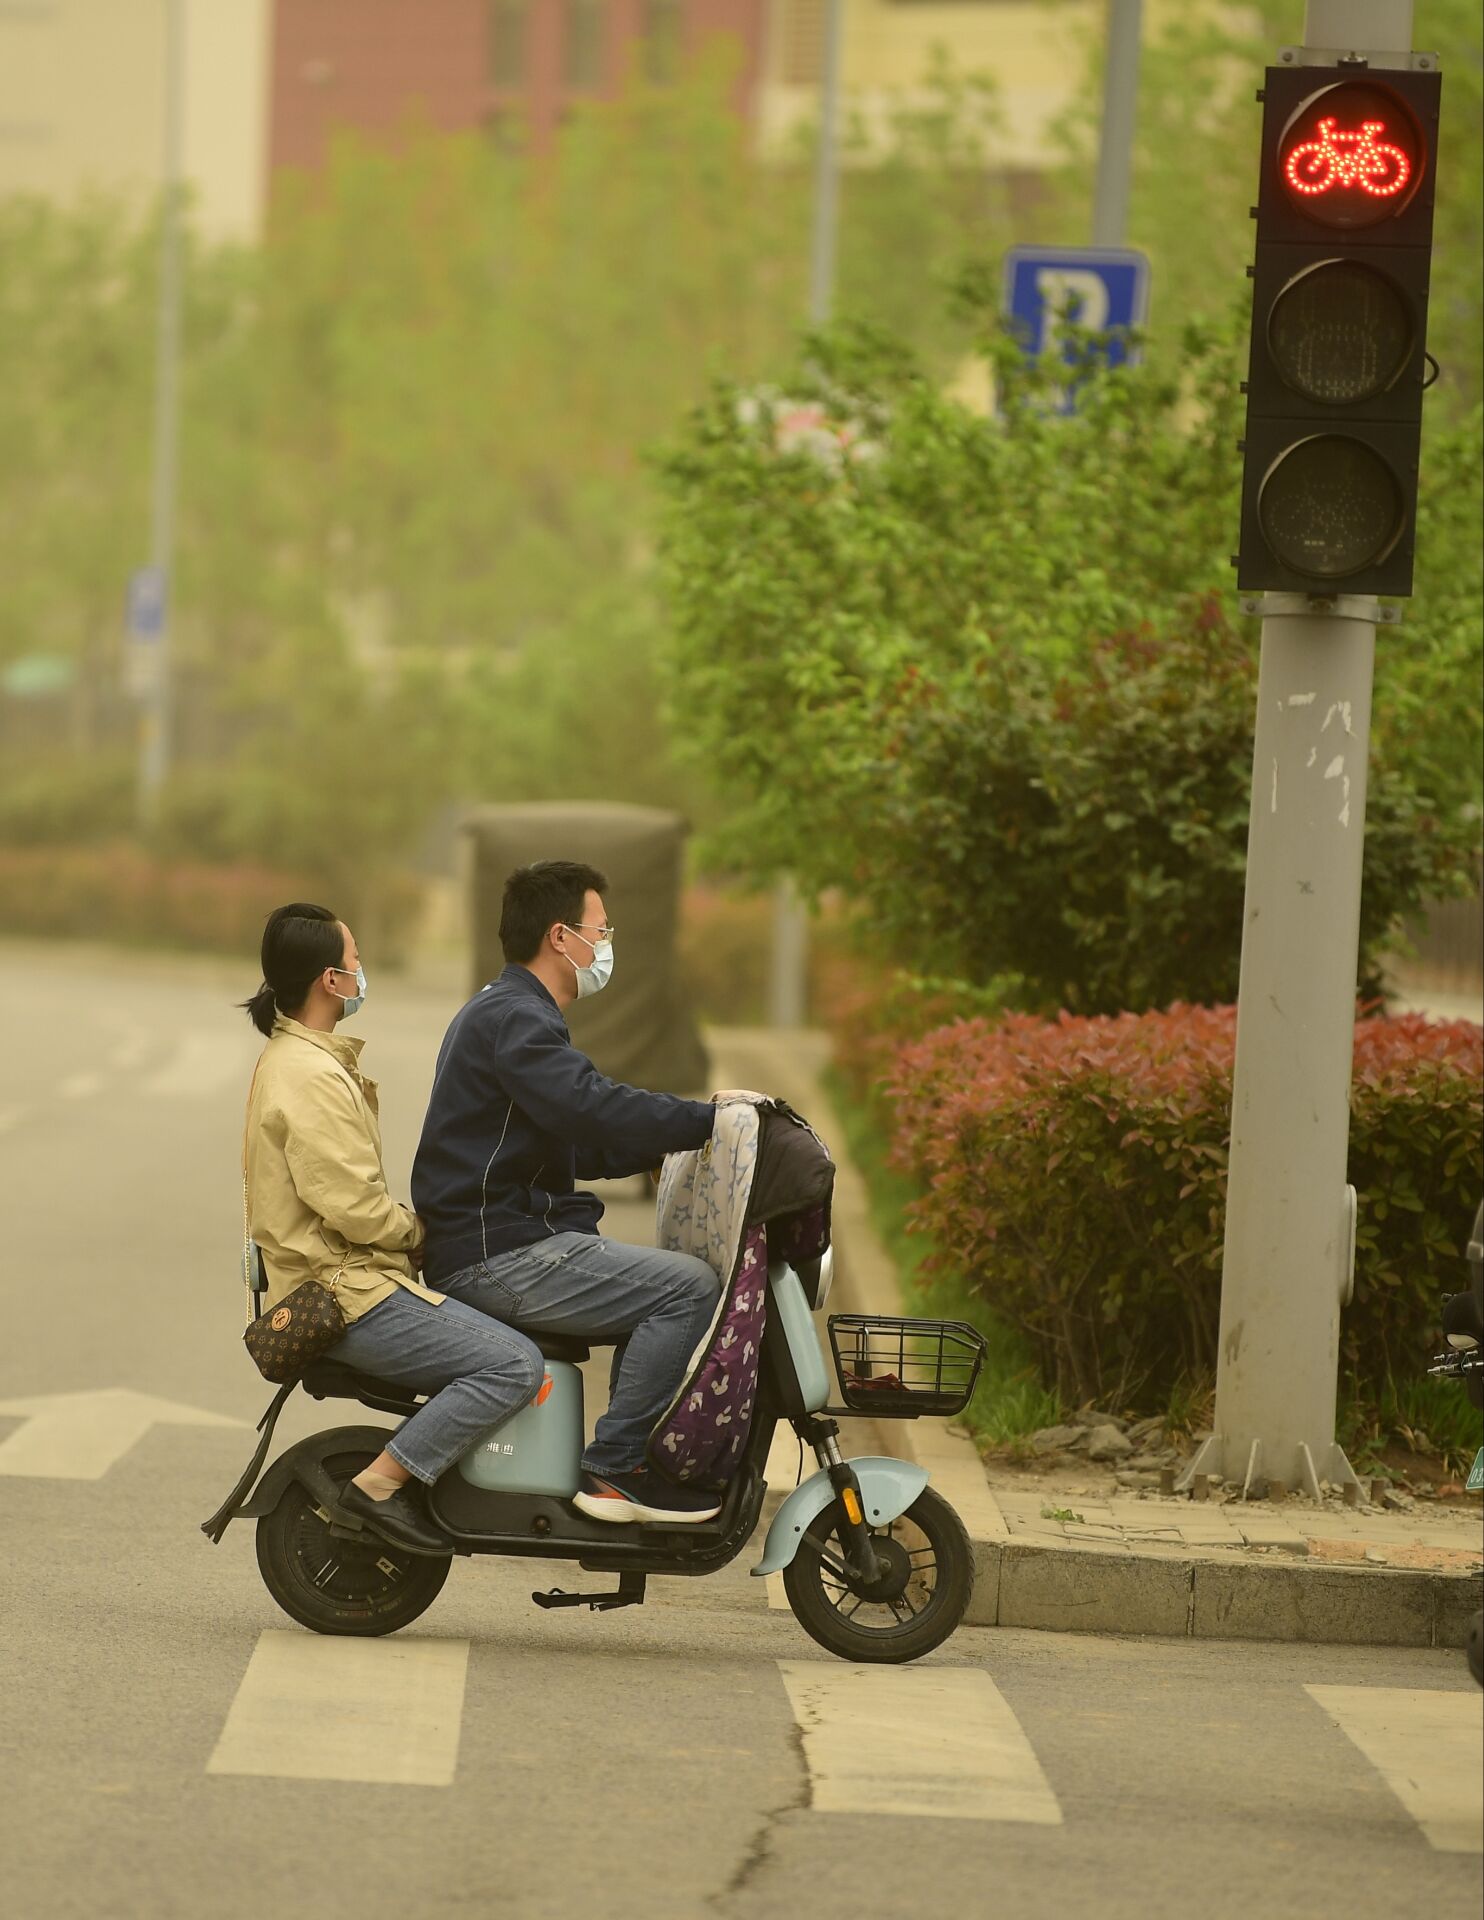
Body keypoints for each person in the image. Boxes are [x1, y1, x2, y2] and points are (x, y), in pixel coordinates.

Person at [412, 861, 726, 1525]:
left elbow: (570, 1143)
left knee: (668, 1284)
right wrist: (712, 1121)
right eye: (600, 929)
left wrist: (668, 1143)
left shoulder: (504, 1009)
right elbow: (588, 1106)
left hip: (496, 1240)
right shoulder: (518, 1018)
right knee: (689, 1287)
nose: (606, 943)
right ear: (561, 937)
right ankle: (615, 1469)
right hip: (498, 1253)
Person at [242, 902, 546, 1557]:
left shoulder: (300, 1058)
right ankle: (377, 1487)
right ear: (330, 980)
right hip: (346, 1292)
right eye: (355, 961)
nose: (361, 971)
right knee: (514, 1365)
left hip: (345, 1278)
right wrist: (419, 1231)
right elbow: (354, 1208)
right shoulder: (310, 1074)